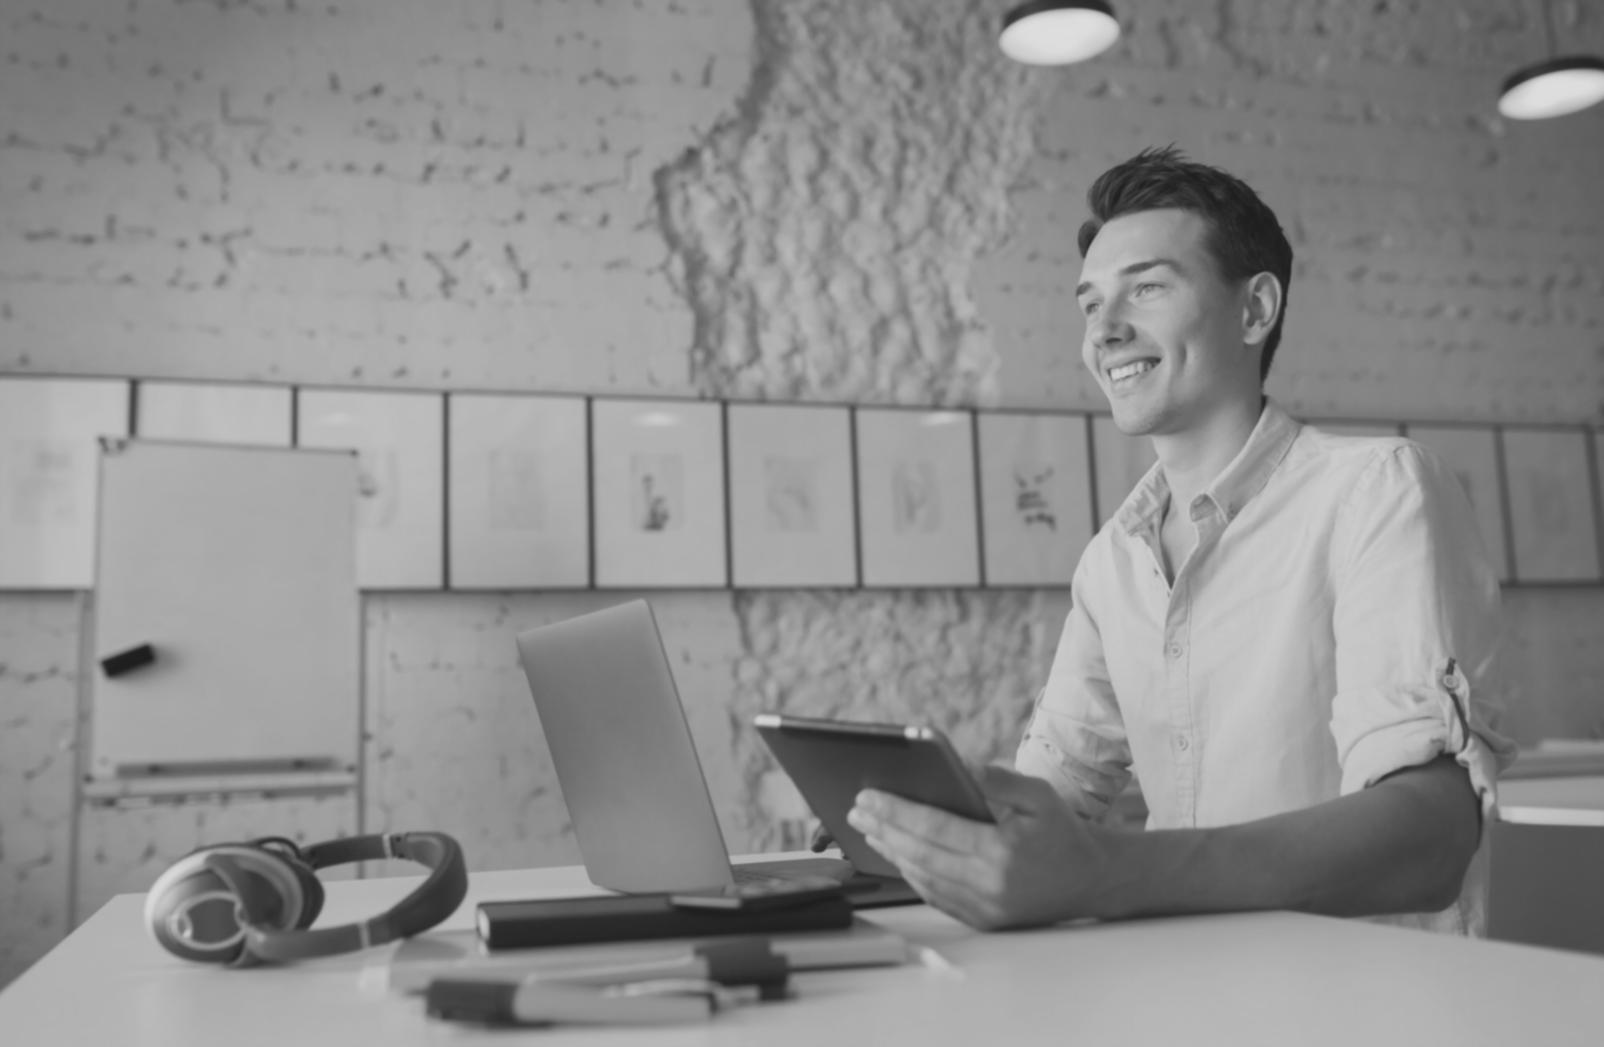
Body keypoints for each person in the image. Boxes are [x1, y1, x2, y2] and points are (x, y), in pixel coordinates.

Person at [843, 146, 1515, 935]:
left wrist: (1105, 872)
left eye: (1148, 288)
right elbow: (1054, 791)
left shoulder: (1377, 490)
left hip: (1359, 1002)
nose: (1107, 330)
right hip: (1179, 995)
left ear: (1255, 310)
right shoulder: (1110, 562)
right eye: (1090, 304)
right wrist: (919, 832)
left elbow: (1428, 839)